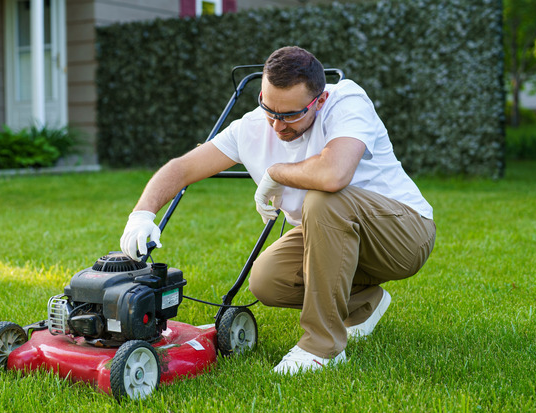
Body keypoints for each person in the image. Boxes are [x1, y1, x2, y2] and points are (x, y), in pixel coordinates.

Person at [119, 46, 436, 376]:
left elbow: (334, 174)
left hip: (404, 234)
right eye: (270, 109)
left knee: (324, 198)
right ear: (261, 94)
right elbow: (182, 168)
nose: (277, 126)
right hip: (335, 238)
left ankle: (321, 347)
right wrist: (142, 214)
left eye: (291, 115)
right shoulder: (252, 127)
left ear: (320, 100)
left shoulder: (347, 101)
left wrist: (275, 173)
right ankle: (363, 303)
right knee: (267, 280)